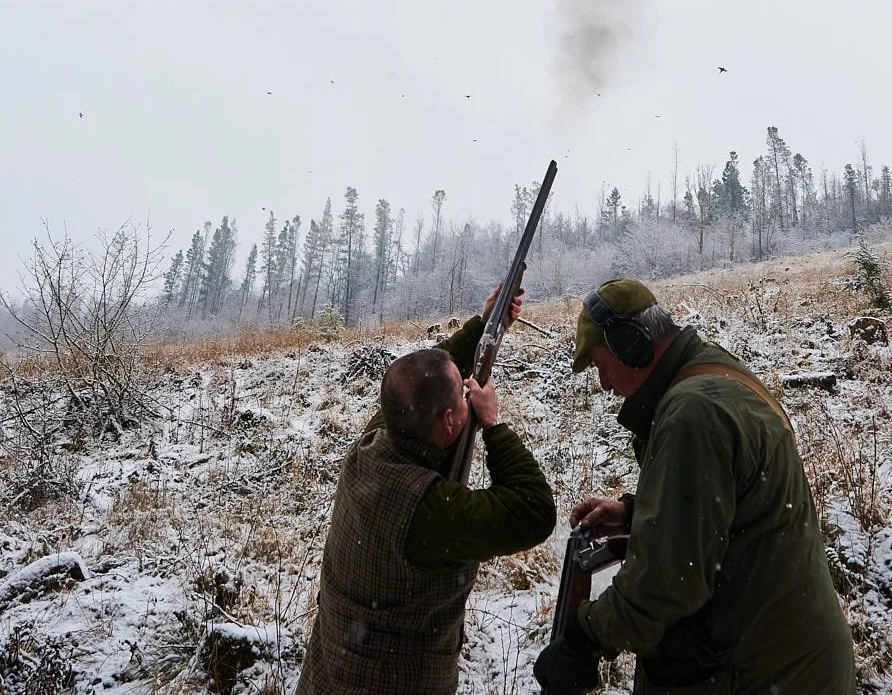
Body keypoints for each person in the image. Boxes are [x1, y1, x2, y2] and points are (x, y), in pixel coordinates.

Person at [533, 278, 856, 695]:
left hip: (758, 673)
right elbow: (727, 501)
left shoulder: (692, 413)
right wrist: (637, 512)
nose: (604, 385)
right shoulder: (713, 373)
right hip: (786, 658)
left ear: (632, 344)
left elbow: (668, 582)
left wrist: (585, 636)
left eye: (600, 365)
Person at [297, 283, 557, 695]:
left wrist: (486, 324)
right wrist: (493, 425)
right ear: (451, 422)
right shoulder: (430, 511)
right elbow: (535, 511)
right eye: (463, 398)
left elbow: (426, 377)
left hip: (331, 675)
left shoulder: (376, 441)